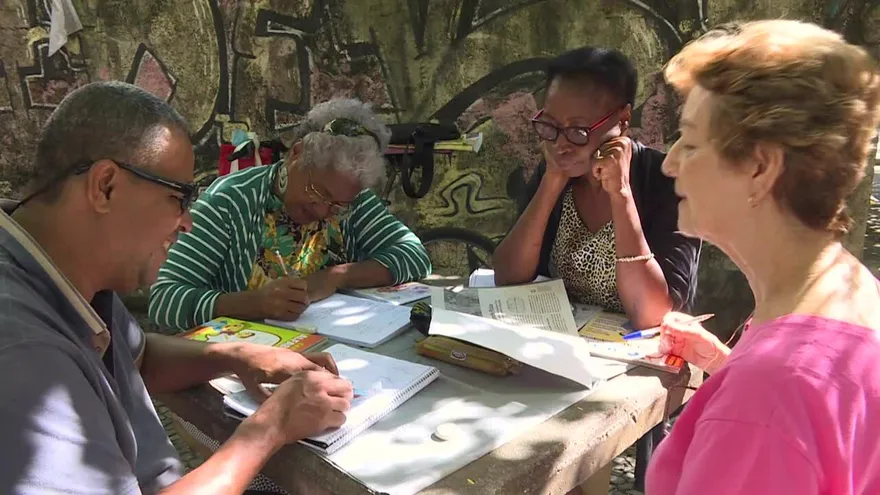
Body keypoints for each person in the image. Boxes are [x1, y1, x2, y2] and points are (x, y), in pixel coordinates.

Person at [0, 81, 353, 494]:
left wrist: (243, 356)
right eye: (179, 198)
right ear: (105, 186)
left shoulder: (61, 267)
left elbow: (138, 359)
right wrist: (271, 427)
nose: (186, 222)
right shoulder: (22, 348)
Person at [647, 20, 880, 494]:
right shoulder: (848, 290)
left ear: (760, 166)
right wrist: (723, 363)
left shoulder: (767, 397)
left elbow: (776, 412)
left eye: (690, 143)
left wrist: (748, 386)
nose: (670, 162)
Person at [149, 99, 431, 331]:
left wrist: (337, 276)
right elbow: (164, 301)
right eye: (316, 191)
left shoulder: (352, 202)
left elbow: (415, 256)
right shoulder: (230, 200)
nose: (323, 211)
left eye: (337, 206)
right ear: (296, 154)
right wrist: (254, 304)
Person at [492, 47, 701, 329]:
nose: (560, 145)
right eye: (550, 126)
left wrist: (621, 194)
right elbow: (508, 277)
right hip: (566, 346)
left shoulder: (667, 182)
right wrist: (552, 181)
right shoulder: (556, 173)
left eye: (578, 131)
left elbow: (652, 315)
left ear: (623, 119)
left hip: (640, 360)